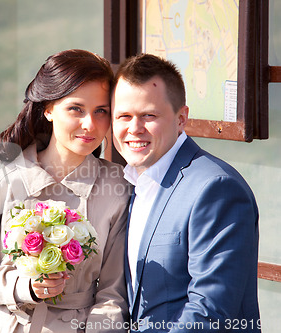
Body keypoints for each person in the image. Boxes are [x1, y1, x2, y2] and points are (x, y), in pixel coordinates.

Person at [0, 49, 131, 333]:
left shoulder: (117, 185)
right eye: (76, 109)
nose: (90, 124)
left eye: (102, 111)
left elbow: (113, 293)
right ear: (48, 108)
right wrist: (24, 287)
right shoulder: (0, 178)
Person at [111, 53, 261, 332]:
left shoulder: (217, 188)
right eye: (123, 116)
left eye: (148, 115)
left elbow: (211, 311)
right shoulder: (131, 184)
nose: (134, 129)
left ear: (181, 119)